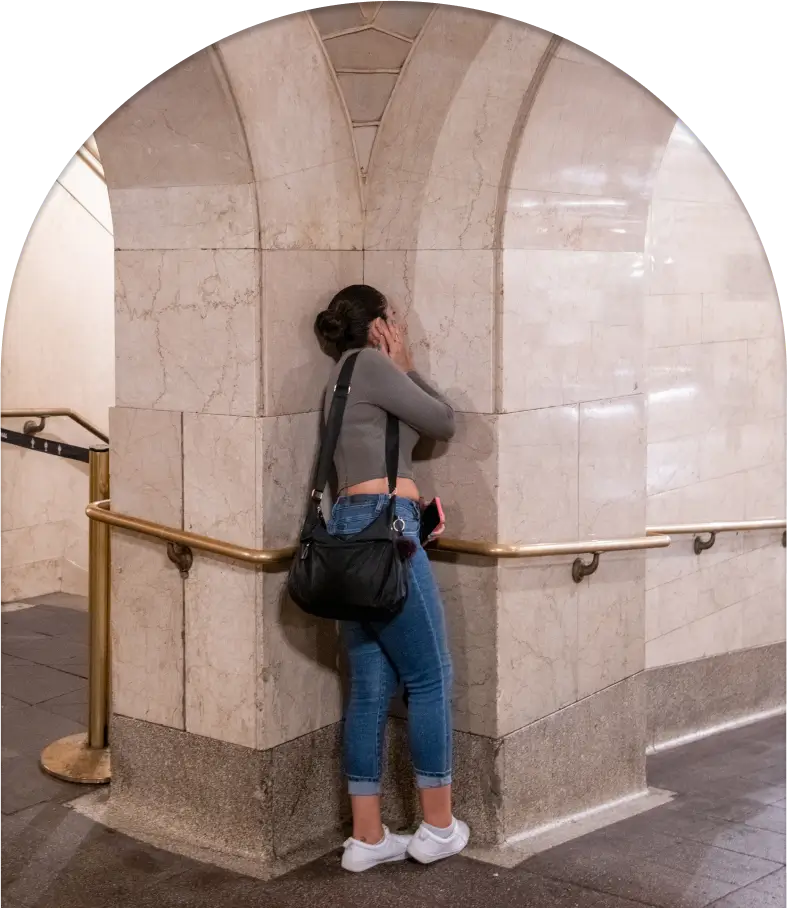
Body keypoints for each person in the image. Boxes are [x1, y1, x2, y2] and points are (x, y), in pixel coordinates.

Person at [313, 284, 469, 873]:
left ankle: (367, 838)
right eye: (395, 317)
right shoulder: (375, 366)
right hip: (387, 528)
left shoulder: (337, 379)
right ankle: (437, 826)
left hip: (353, 532)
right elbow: (444, 422)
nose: (401, 326)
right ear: (380, 324)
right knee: (431, 677)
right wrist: (410, 366)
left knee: (371, 685)